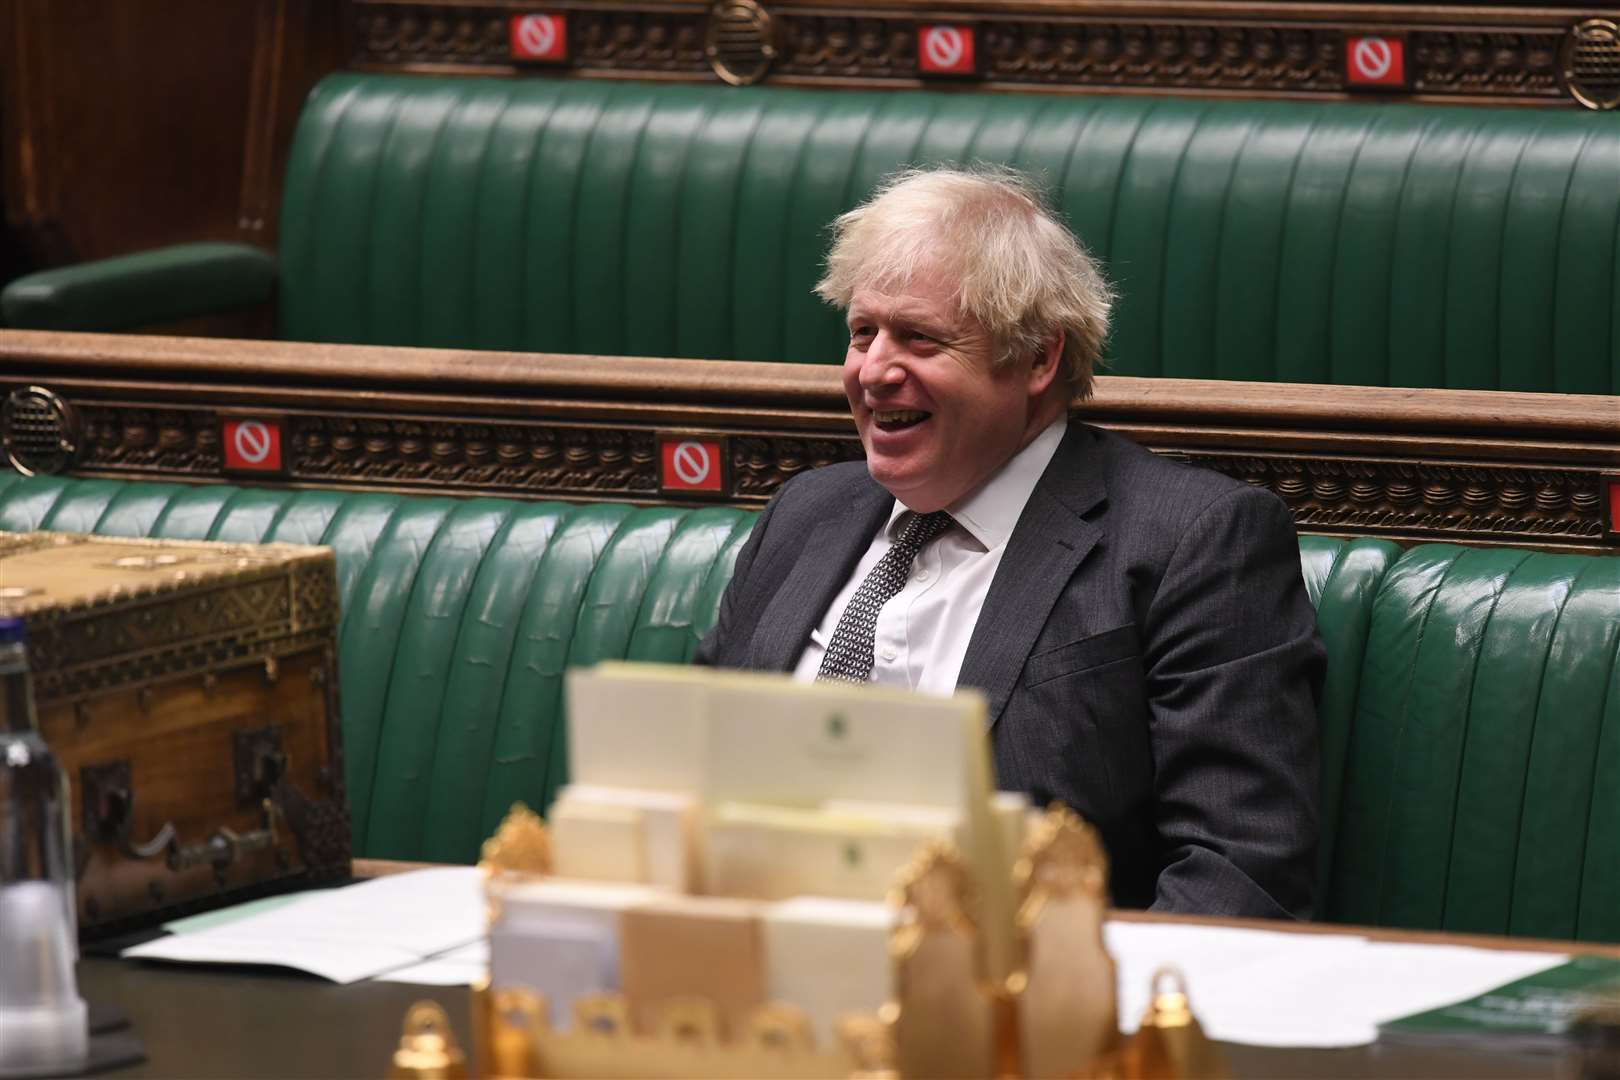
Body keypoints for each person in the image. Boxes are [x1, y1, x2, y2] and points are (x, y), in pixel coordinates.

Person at [697, 166, 1324, 919]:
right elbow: (689, 781)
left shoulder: (1192, 540)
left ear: (1037, 359)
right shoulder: (807, 513)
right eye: (863, 333)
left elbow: (1241, 869)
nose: (874, 371)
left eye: (921, 339)